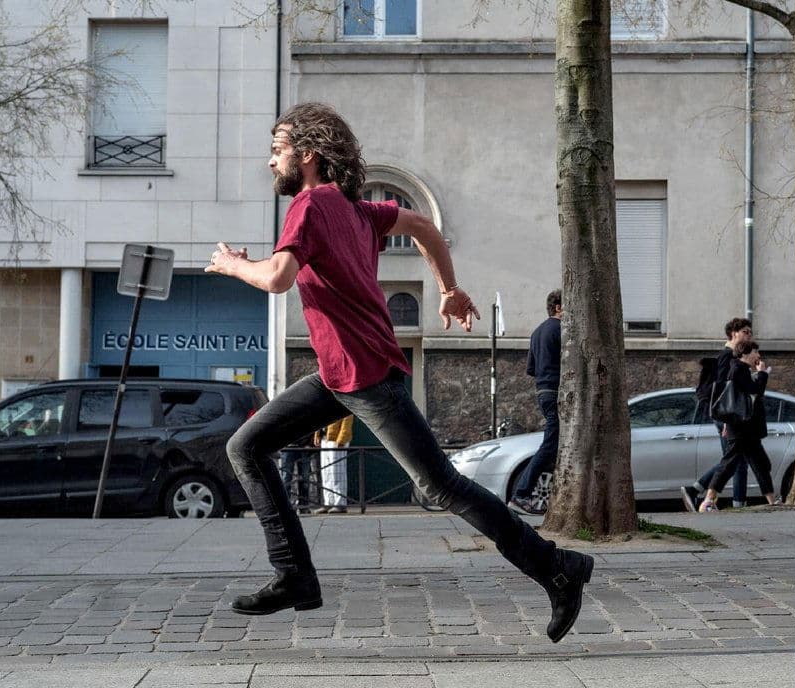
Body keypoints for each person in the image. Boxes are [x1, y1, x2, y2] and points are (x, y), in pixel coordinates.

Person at [205, 102, 594, 643]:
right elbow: (424, 227)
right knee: (246, 446)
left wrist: (232, 265)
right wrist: (448, 288)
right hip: (339, 376)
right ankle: (294, 575)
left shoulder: (310, 204)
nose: (271, 162)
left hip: (364, 376)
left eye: (277, 150)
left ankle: (557, 567)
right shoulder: (358, 210)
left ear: (308, 154)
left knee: (442, 486)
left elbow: (277, 278)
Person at [696, 340, 780, 512]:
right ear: (746, 353)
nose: (758, 356)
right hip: (741, 427)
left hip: (746, 427)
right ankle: (708, 500)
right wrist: (762, 374)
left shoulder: (741, 369)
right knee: (729, 464)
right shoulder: (738, 370)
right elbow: (755, 390)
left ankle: (772, 501)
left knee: (760, 464)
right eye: (755, 352)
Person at [681, 317, 754, 512]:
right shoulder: (727, 357)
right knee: (736, 460)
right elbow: (723, 390)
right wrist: (726, 421)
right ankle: (736, 504)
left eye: (750, 332)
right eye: (745, 332)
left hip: (728, 416)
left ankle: (697, 490)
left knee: (733, 459)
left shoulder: (734, 357)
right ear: (733, 333)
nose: (749, 335)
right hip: (726, 416)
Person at [509, 289, 561, 515]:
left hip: (542, 392)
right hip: (556, 391)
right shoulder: (561, 329)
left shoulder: (537, 332)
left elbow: (531, 369)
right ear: (558, 307)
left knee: (554, 444)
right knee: (549, 445)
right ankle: (521, 494)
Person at [317, 415, 353, 514]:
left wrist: (342, 439)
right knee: (326, 472)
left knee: (337, 472)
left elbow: (347, 419)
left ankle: (340, 504)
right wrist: (317, 435)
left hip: (336, 439)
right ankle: (328, 502)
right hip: (325, 437)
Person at [279, 431, 318, 512]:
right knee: (286, 478)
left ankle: (304, 506)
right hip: (288, 447)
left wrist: (310, 444)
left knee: (304, 479)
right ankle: (285, 506)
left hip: (304, 447)